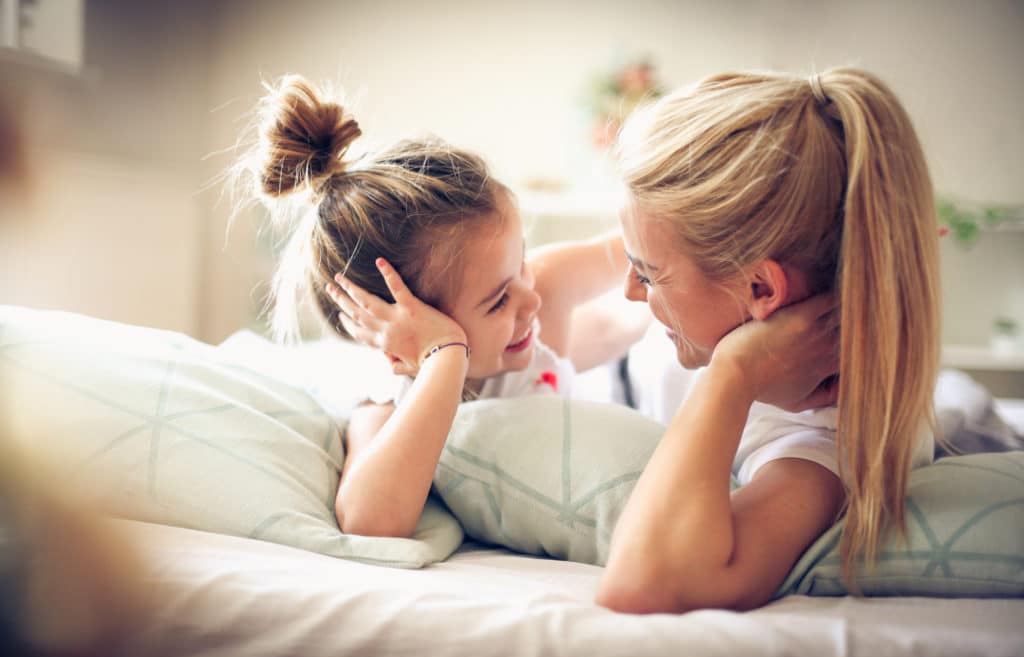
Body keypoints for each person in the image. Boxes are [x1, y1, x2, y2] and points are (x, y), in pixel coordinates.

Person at [239, 75, 646, 538]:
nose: (531, 298)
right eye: (497, 302)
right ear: (405, 329)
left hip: (617, 361)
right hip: (585, 355)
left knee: (627, 326)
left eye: (522, 267)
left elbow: (647, 242)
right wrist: (445, 356)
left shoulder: (540, 290)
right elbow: (369, 522)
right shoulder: (390, 399)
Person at [596, 67, 941, 613]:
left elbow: (645, 583)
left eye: (648, 273)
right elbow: (543, 282)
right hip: (617, 355)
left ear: (761, 287)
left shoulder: (825, 439)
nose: (631, 291)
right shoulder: (705, 288)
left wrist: (734, 370)